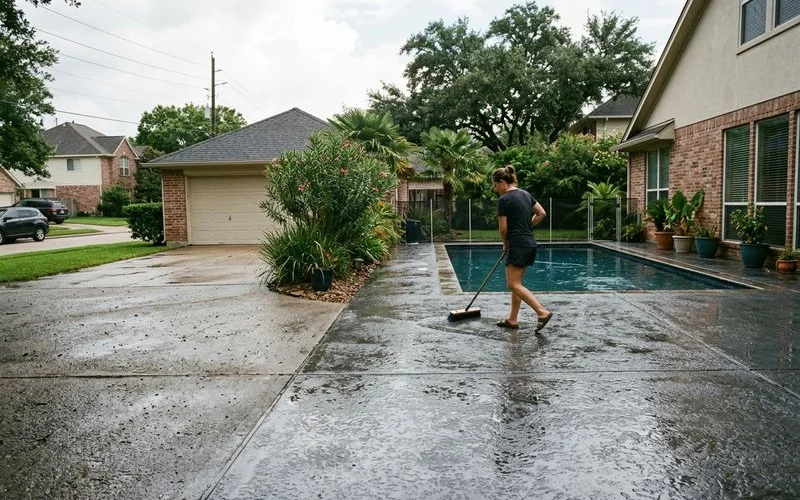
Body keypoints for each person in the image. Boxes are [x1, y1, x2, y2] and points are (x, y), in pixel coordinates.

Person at [492, 165, 553, 333]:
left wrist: (505, 243)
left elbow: (503, 229)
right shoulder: (526, 194)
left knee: (513, 284)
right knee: (517, 283)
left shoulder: (504, 200)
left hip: (517, 244)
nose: (495, 189)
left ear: (502, 182)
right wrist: (528, 225)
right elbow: (541, 213)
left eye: (495, 185)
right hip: (529, 243)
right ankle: (512, 319)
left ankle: (542, 312)